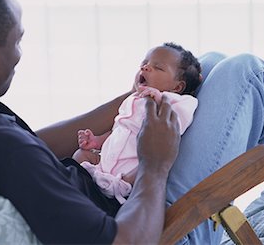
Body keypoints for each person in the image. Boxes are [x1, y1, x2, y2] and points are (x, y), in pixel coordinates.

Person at [0, 0, 264, 245]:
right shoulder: (5, 151)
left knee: (209, 65)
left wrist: (128, 101)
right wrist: (154, 165)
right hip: (158, 224)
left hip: (126, 199)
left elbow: (34, 145)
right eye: (16, 41)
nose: (19, 54)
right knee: (248, 74)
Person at [73, 43, 202, 204]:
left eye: (158, 67)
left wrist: (161, 100)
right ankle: (94, 185)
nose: (146, 67)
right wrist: (97, 141)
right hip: (104, 166)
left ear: (177, 87)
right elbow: (119, 130)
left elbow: (179, 122)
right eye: (144, 63)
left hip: (131, 171)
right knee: (81, 155)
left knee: (142, 171)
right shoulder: (133, 100)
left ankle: (122, 185)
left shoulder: (178, 101)